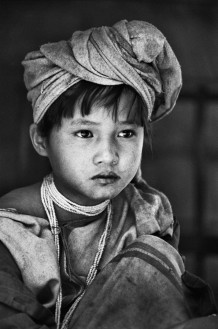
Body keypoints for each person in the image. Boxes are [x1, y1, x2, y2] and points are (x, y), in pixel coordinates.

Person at [0, 19, 217, 329]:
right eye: (85, 133)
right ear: (41, 140)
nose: (109, 155)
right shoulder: (11, 231)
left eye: (127, 133)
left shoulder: (146, 215)